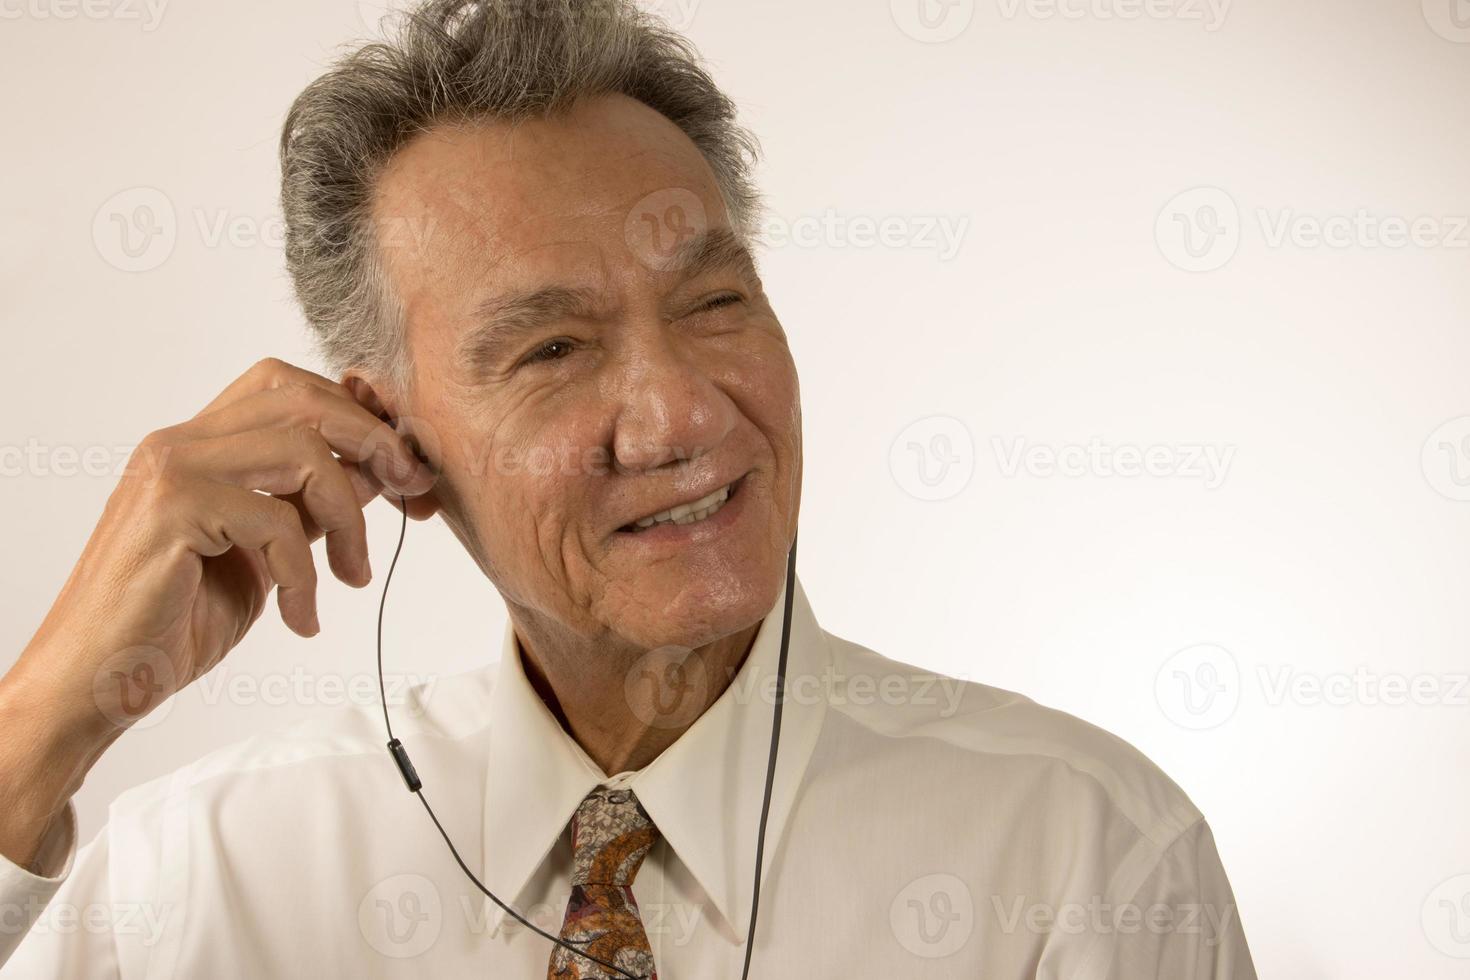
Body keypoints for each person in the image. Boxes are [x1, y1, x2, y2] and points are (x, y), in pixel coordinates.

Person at [0, 1, 1258, 976]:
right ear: (387, 436)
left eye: (715, 303)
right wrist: (44, 716)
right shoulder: (202, 874)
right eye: (552, 347)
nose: (684, 414)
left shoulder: (1084, 852)